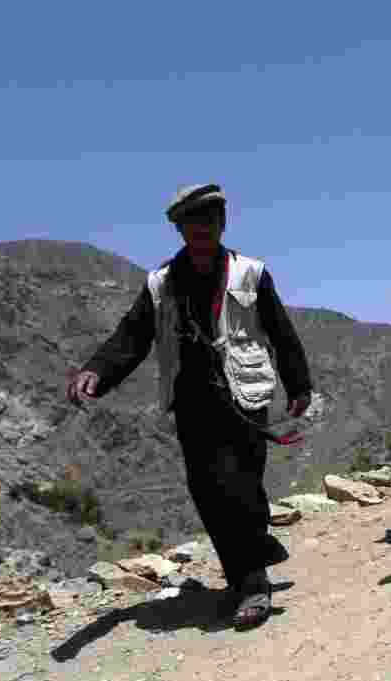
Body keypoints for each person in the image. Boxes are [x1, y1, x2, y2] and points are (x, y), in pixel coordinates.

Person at [66, 183, 312, 629]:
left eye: (211, 220)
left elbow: (280, 330)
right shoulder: (160, 283)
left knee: (243, 486)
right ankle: (251, 572)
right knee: (210, 491)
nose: (203, 229)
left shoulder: (250, 273)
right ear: (180, 228)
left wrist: (299, 384)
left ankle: (253, 566)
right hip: (193, 402)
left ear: (223, 222)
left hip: (247, 396)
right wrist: (97, 371)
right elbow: (132, 335)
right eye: (193, 222)